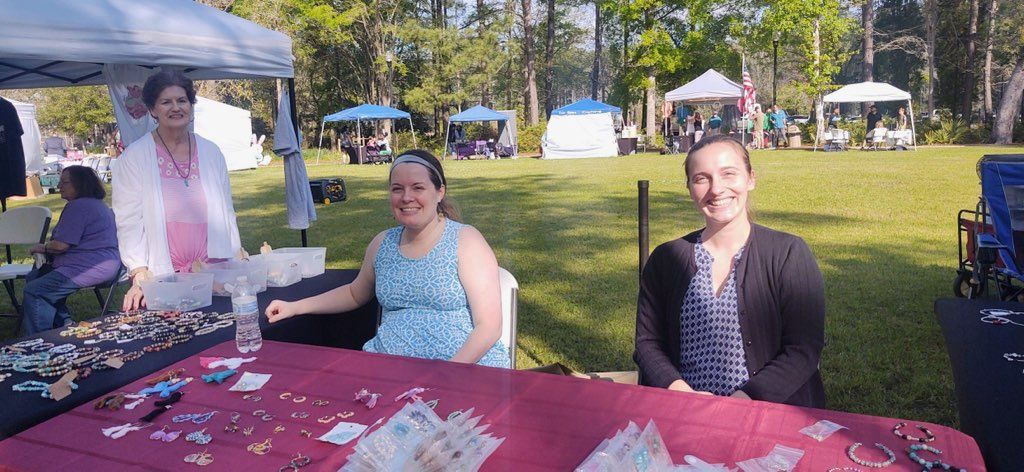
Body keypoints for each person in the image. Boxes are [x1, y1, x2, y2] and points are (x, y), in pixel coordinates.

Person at [264, 150, 510, 368]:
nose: (406, 197)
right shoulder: (382, 243)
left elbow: (489, 326)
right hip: (389, 367)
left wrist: (447, 373)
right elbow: (354, 293)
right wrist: (295, 307)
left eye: (418, 187)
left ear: (439, 192)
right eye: (397, 189)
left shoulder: (466, 240)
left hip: (461, 368)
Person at [633, 134, 826, 407]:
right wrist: (681, 393)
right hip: (685, 408)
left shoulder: (788, 253)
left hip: (768, 410)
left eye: (728, 174)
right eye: (701, 178)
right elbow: (648, 344)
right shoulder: (666, 259)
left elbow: (803, 350)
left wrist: (739, 402)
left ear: (751, 179)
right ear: (689, 188)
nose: (716, 189)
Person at [112, 70, 242, 311]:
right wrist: (138, 269)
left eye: (182, 100)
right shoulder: (135, 157)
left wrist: (236, 252)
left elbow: (226, 210)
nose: (176, 108)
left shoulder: (211, 152)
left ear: (191, 105)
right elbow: (128, 220)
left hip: (214, 269)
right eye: (166, 102)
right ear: (152, 109)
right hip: (165, 273)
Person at [23, 166, 120, 334]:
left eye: (65, 182)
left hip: (88, 267)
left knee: (35, 291)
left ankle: (43, 339)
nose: (59, 186)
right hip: (104, 264)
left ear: (80, 184)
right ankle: (65, 326)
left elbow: (61, 246)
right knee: (36, 277)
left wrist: (43, 247)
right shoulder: (97, 205)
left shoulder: (78, 207)